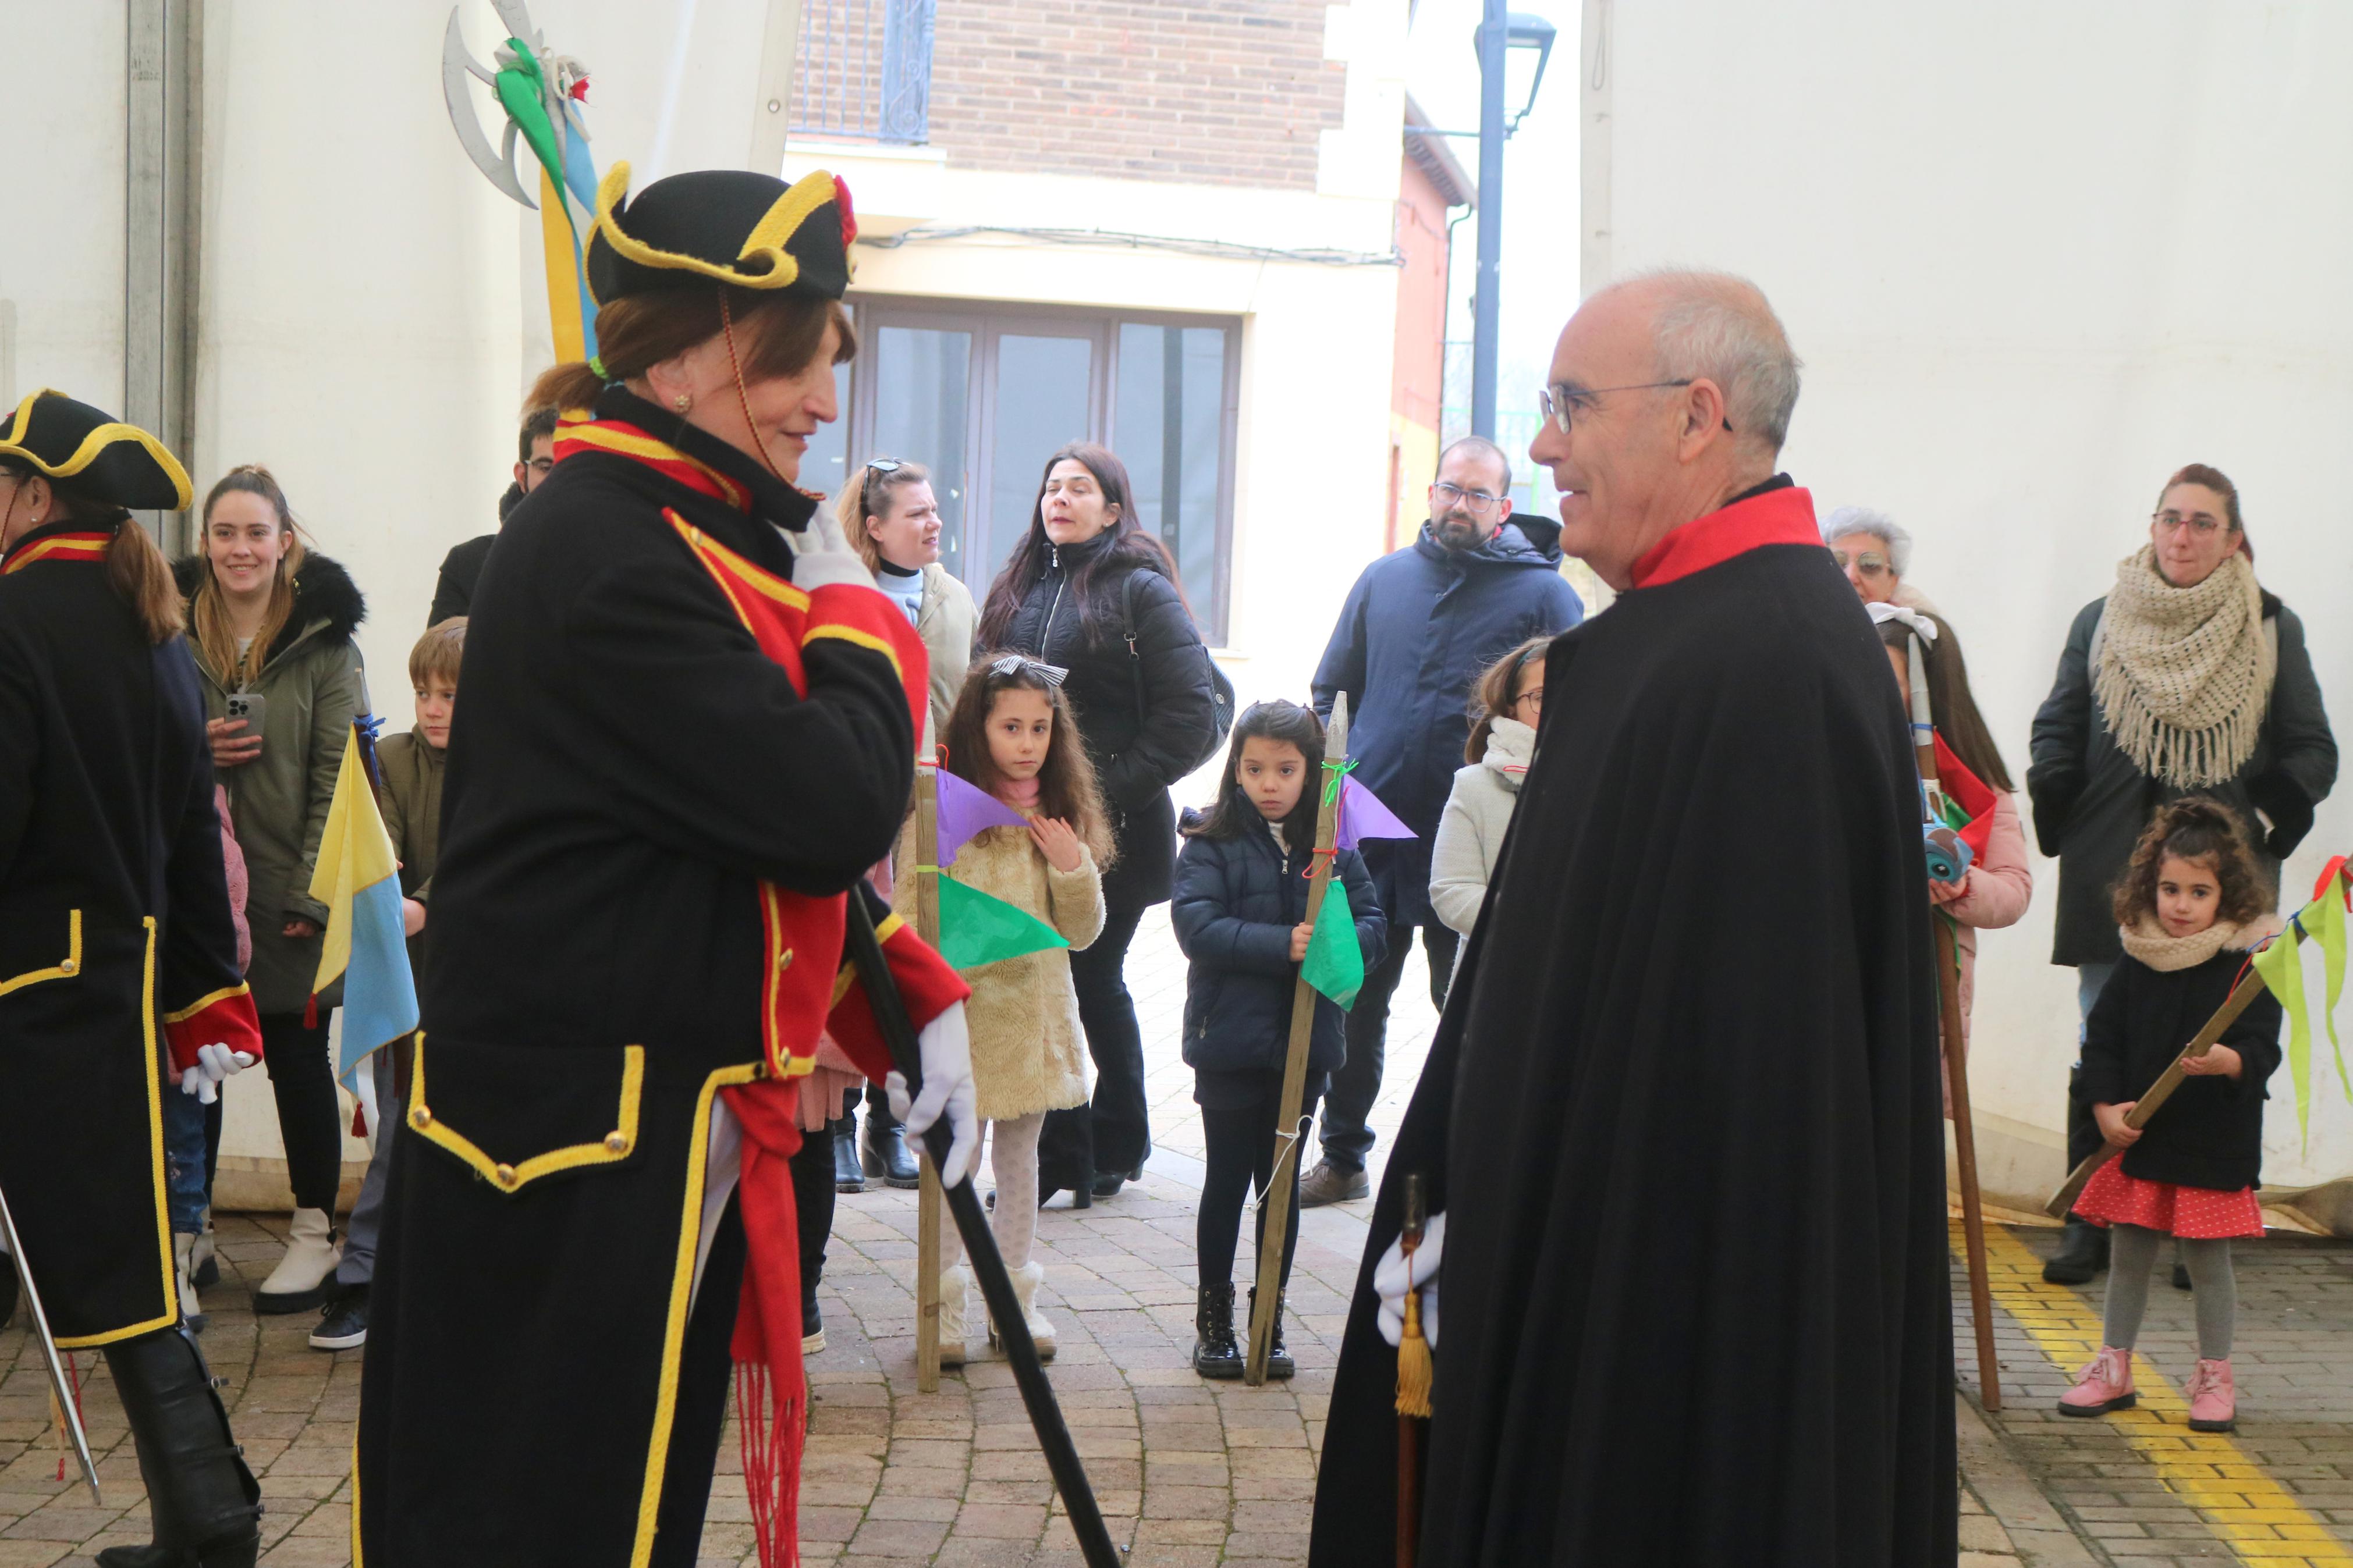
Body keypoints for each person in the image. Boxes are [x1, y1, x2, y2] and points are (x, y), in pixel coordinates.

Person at [353, 164, 978, 1568]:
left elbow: (705, 834)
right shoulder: (615, 545)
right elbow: (822, 802)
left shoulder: (661, 528)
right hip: (582, 1141)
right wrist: (852, 613)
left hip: (623, 1118)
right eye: (808, 356)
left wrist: (891, 994)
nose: (827, 401)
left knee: (610, 1509)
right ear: (700, 350)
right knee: (553, 1520)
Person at [1309, 271, 1957, 1565]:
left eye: (1567, 405)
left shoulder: (1757, 660)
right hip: (1587, 1272)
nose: (1542, 444)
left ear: (1694, 416)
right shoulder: (1688, 635)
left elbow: (1728, 1110)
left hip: (1656, 1340)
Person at [0, 390, 267, 1568]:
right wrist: (205, 982)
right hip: (116, 991)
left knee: (107, 1266)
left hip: (21, 992)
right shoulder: (151, 630)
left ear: (35, 495)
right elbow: (188, 831)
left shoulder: (12, 618)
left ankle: (210, 1520)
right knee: (120, 1263)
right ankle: (208, 1518)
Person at [2028, 464, 2336, 1285]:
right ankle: (2091, 1219)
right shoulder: (2100, 618)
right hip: (2117, 876)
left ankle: (2197, 1221)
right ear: (2151, 524)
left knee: (2221, 1046)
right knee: (2105, 1039)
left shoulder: (2269, 627)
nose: (2181, 535)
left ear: (2232, 537)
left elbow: (2311, 748)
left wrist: (2261, 824)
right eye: (2170, 517)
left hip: (2220, 888)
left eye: (2202, 521)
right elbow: (2055, 724)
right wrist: (2056, 794)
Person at [1300, 437, 1584, 1207]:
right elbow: (1331, 692)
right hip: (1375, 841)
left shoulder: (1545, 597)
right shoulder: (1383, 579)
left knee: (1474, 1008)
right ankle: (1343, 1154)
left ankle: (1481, 1164)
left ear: (1502, 506)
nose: (1459, 505)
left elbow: (1573, 714)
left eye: (1477, 494)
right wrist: (1331, 785)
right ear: (1430, 492)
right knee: (1352, 998)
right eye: (1449, 489)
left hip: (1479, 844)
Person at [978, 442, 1219, 1205]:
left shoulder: (1139, 589)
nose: (1060, 497)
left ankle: (1106, 1144)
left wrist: (1097, 794)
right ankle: (1066, 1153)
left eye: (1079, 488)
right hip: (1019, 827)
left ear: (1112, 510)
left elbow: (1195, 714)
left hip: (1113, 829)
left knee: (1090, 975)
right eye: (1052, 485)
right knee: (1035, 976)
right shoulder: (1014, 583)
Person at [174, 465, 369, 1315]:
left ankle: (312, 1231)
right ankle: (195, 1228)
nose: (240, 549)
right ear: (205, 543)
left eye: (256, 532)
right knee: (203, 1062)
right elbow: (137, 742)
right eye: (224, 533)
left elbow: (340, 776)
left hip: (293, 890)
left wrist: (311, 896)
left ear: (285, 540)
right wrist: (193, 751)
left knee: (295, 1057)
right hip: (198, 885)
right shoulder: (167, 632)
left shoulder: (329, 645)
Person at [898, 653, 1109, 1363]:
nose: (1026, 742)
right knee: (957, 1155)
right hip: (964, 1019)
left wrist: (1071, 865)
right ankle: (944, 1300)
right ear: (977, 726)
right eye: (1011, 726)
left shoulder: (1059, 817)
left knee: (1021, 1161)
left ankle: (1014, 1300)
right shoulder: (943, 810)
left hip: (1036, 1021)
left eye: (1040, 728)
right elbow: (908, 915)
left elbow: (1082, 932)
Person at [1171, 701, 1384, 1379]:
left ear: (1312, 772)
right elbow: (1196, 926)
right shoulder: (1208, 838)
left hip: (1305, 1046)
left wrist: (1336, 944)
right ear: (1235, 766)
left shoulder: (1334, 843)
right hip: (1229, 1043)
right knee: (1227, 1181)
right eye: (1254, 767)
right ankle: (1214, 1318)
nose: (1268, 782)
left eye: (1285, 769)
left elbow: (1374, 920)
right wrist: (1281, 945)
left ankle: (1271, 1312)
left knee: (1281, 1187)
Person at [2060, 799, 2283, 1435]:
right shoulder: (2138, 960)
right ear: (2147, 887)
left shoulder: (2246, 967)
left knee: (2207, 1261)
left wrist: (2229, 1061)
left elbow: (2263, 1046)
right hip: (2141, 1139)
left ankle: (2214, 1372)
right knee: (2128, 1253)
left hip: (2209, 1143)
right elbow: (2098, 1041)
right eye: (2168, 888)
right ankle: (2113, 1364)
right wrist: (2103, 1107)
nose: (2179, 905)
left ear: (2227, 896)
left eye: (2198, 891)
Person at [308, 617, 463, 1353]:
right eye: (424, 693)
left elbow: (488, 849)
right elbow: (378, 843)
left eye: (452, 695)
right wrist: (391, 895)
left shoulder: (508, 764)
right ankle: (367, 1273)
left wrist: (429, 901)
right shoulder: (388, 760)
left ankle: (410, 1275)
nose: (432, 708)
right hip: (402, 982)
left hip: (474, 985)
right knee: (398, 1127)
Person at [835, 456, 977, 1193]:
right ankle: (836, 1119)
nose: (933, 523)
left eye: (934, 509)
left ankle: (890, 1126)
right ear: (873, 526)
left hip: (933, 805)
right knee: (853, 947)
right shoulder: (841, 597)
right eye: (916, 513)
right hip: (862, 800)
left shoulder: (953, 597)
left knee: (917, 948)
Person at [1428, 635, 1548, 974]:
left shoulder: (1616, 776)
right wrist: (1536, 923)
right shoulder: (1475, 785)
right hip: (1501, 973)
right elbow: (1451, 891)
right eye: (1540, 696)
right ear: (1512, 706)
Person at [427, 407, 558, 625]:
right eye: (546, 468)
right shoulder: (467, 564)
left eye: (571, 467)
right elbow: (438, 658)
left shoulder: (611, 561)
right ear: (522, 475)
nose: (559, 480)